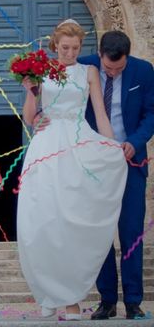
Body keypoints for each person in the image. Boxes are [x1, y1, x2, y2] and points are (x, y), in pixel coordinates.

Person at [16, 19, 127, 320]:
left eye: (75, 48)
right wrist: (30, 91)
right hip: (46, 144)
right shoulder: (40, 70)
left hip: (78, 142)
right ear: (55, 46)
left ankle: (72, 300)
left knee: (70, 222)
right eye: (65, 48)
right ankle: (48, 293)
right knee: (43, 220)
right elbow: (29, 118)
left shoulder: (89, 72)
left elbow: (100, 115)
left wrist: (113, 147)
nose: (70, 53)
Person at [79, 30, 154, 320]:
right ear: (99, 55)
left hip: (131, 164)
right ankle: (107, 300)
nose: (111, 73)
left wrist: (134, 143)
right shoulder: (84, 67)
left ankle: (133, 302)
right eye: (108, 68)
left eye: (118, 68)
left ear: (127, 57)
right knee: (99, 235)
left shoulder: (144, 71)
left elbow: (151, 114)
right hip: (94, 166)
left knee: (131, 233)